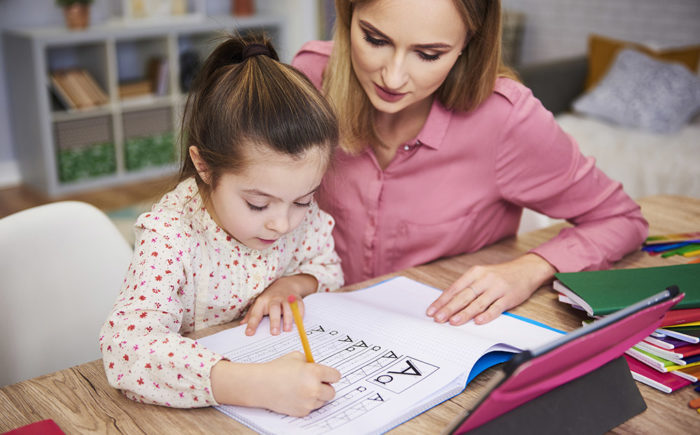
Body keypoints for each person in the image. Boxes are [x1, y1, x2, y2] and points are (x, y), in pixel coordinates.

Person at [292, 0, 648, 326]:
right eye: (375, 39)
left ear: (468, 44)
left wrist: (530, 269)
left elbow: (621, 218)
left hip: (440, 334)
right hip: (314, 322)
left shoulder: (506, 119)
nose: (393, 77)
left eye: (429, 54)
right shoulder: (308, 79)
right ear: (346, 14)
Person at [99, 35, 343, 415]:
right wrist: (256, 385)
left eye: (303, 200)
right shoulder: (171, 233)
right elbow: (126, 348)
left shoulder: (297, 216)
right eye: (257, 203)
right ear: (204, 166)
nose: (282, 223)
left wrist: (293, 284)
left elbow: (328, 270)